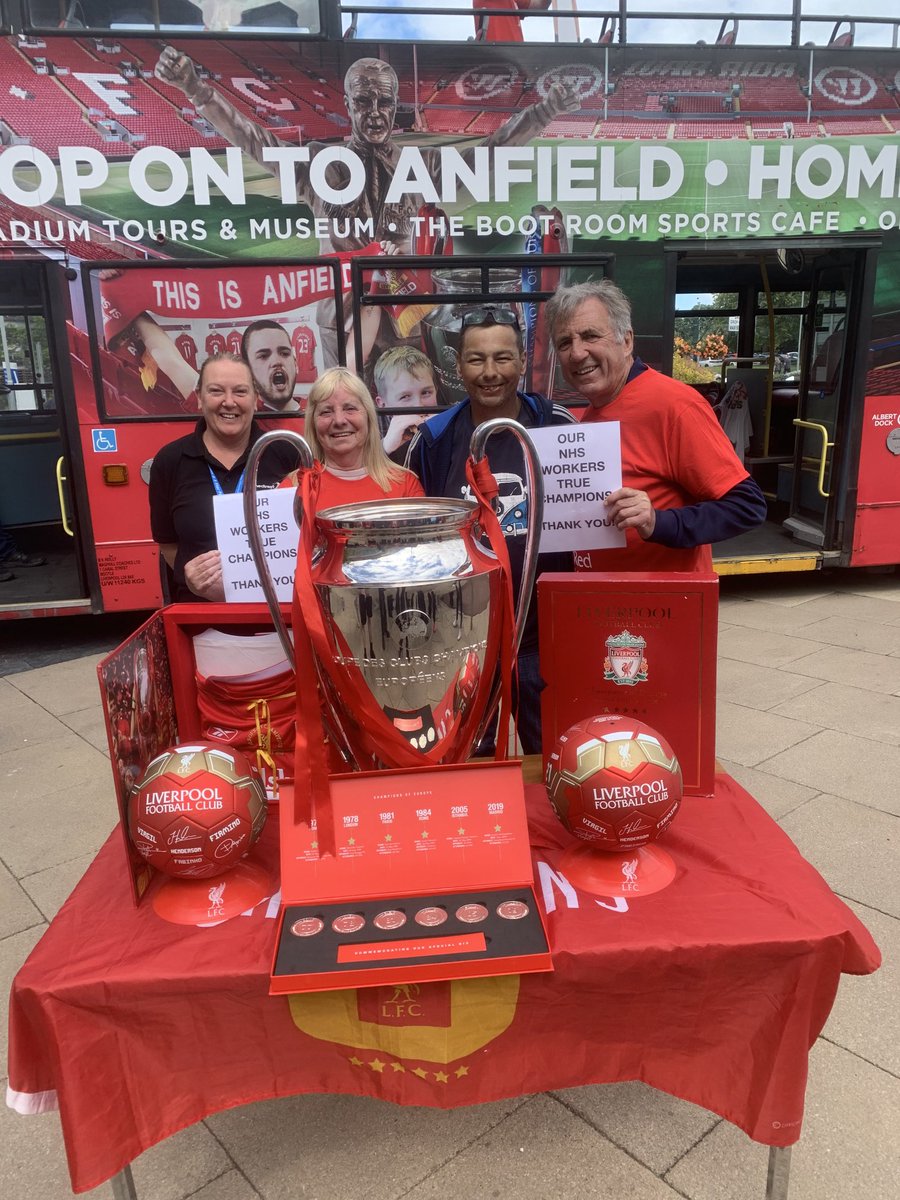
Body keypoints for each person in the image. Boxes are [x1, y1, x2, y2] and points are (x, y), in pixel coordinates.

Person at [154, 48, 581, 370]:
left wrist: (543, 112)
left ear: (395, 105)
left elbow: (489, 155)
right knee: (344, 420)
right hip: (340, 317)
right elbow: (255, 141)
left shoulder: (423, 165)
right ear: (347, 104)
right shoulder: (318, 164)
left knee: (409, 413)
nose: (375, 114)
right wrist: (197, 90)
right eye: (364, 102)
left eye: (384, 102)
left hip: (405, 315)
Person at [399, 307, 575, 754]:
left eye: (503, 358)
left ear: (521, 361)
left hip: (543, 637)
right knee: (469, 765)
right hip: (464, 643)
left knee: (555, 758)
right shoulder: (434, 440)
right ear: (458, 366)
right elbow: (410, 532)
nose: (490, 372)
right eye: (477, 359)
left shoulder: (556, 425)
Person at [545, 280, 767, 573]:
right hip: (602, 602)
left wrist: (656, 521)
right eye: (564, 342)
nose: (576, 353)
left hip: (658, 608)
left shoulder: (673, 405)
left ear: (626, 341)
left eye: (590, 336)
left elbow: (748, 506)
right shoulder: (593, 411)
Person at [149, 353, 298, 602]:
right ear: (199, 398)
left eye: (240, 391)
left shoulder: (287, 453)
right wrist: (194, 579)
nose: (229, 402)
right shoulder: (170, 460)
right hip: (204, 621)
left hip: (280, 619)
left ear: (256, 399)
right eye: (216, 391)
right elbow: (168, 545)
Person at [281, 367, 423, 507]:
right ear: (312, 423)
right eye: (326, 412)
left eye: (350, 409)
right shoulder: (291, 490)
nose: (339, 420)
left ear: (368, 417)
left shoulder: (405, 485)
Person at [373, 346, 439, 456]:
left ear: (436, 390)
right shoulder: (368, 429)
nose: (419, 406)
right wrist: (385, 447)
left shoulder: (450, 422)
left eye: (426, 393)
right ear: (382, 404)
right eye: (405, 397)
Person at [241, 320, 300, 413]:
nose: (277, 362)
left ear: (295, 363)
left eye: (284, 354)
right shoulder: (245, 421)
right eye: (263, 356)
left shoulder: (317, 412)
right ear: (247, 370)